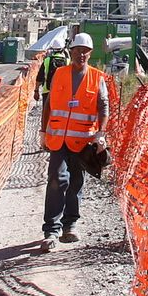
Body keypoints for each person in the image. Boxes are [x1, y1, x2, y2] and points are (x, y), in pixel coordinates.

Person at [38, 32, 109, 251]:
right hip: (58, 139)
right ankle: (51, 230)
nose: (81, 55)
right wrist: (42, 131)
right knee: (57, 180)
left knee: (75, 183)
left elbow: (103, 106)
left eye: (85, 52)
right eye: (78, 51)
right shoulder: (59, 73)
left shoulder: (97, 77)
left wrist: (101, 134)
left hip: (81, 142)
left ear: (90, 54)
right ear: (71, 52)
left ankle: (70, 225)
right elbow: (48, 104)